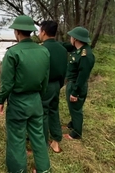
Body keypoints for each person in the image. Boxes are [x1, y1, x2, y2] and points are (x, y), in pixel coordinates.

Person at [0, 15, 51, 173]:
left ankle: (18, 170)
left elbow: (7, 83)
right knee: (39, 137)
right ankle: (44, 170)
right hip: (36, 100)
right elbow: (45, 80)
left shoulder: (12, 53)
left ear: (17, 32)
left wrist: (0, 101)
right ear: (30, 32)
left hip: (18, 103)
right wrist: (39, 96)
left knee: (16, 138)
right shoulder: (44, 51)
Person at [38, 21, 68, 153]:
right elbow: (64, 69)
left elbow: (38, 72)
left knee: (43, 113)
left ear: (43, 32)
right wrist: (60, 84)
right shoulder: (62, 48)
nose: (39, 34)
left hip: (45, 86)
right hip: (57, 84)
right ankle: (56, 141)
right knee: (54, 111)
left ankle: (42, 144)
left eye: (39, 31)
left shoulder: (42, 49)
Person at [62, 26, 95, 140]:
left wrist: (75, 92)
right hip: (73, 83)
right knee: (73, 108)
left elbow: (82, 75)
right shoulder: (78, 49)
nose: (70, 39)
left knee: (76, 109)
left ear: (75, 39)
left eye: (71, 37)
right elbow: (66, 46)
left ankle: (76, 133)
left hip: (77, 85)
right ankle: (72, 125)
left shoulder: (85, 55)